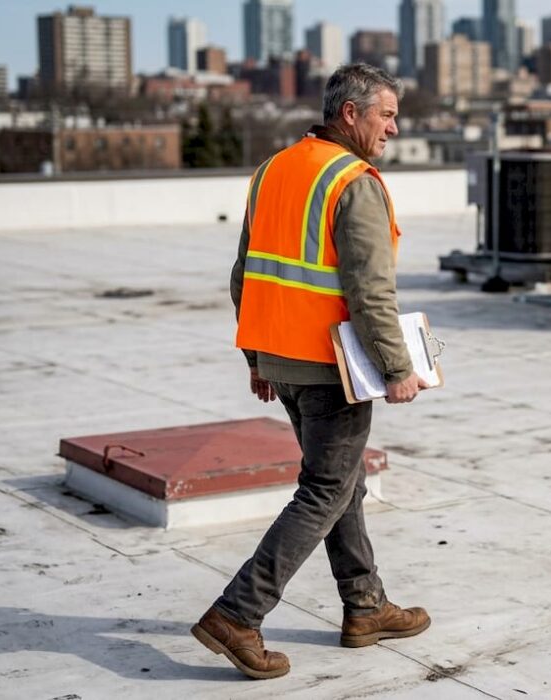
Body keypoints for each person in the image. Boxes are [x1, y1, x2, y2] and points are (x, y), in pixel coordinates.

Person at [191, 63, 430, 680]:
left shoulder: (273, 169)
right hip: (333, 367)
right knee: (325, 490)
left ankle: (365, 605)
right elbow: (369, 289)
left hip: (283, 359)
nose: (394, 129)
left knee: (339, 483)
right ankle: (238, 614)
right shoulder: (354, 180)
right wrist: (398, 368)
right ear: (350, 114)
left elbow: (246, 272)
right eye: (386, 115)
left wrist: (257, 356)